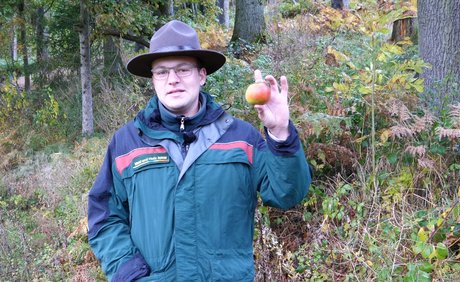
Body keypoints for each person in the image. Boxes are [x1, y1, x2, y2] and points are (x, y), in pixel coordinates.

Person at [87, 20, 311, 282]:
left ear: (202, 75)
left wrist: (281, 133)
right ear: (153, 80)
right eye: (162, 72)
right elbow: (104, 217)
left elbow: (287, 194)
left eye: (183, 69)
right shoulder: (127, 142)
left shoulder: (241, 138)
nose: (173, 80)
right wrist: (128, 271)